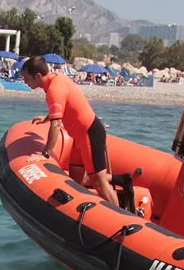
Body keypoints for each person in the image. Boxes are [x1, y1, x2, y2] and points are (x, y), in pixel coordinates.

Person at [20, 54, 120, 208]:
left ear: (38, 76)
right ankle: (121, 180)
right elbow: (66, 105)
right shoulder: (56, 78)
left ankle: (119, 215)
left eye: (27, 79)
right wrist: (47, 117)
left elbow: (56, 125)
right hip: (79, 137)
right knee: (76, 179)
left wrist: (45, 154)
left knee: (99, 183)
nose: (25, 82)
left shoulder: (54, 89)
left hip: (90, 134)